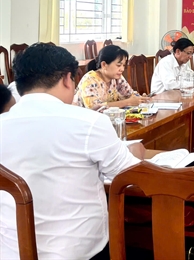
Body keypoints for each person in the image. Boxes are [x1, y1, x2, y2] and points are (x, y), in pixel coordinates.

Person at [0, 43, 144, 259]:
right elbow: (131, 177)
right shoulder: (90, 122)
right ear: (68, 79)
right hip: (81, 252)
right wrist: (136, 154)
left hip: (12, 252)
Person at [74, 44, 150, 110]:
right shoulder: (90, 80)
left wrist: (140, 98)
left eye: (123, 65)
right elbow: (95, 108)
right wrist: (127, 102)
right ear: (104, 65)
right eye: (118, 65)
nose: (122, 69)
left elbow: (129, 95)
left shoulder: (117, 78)